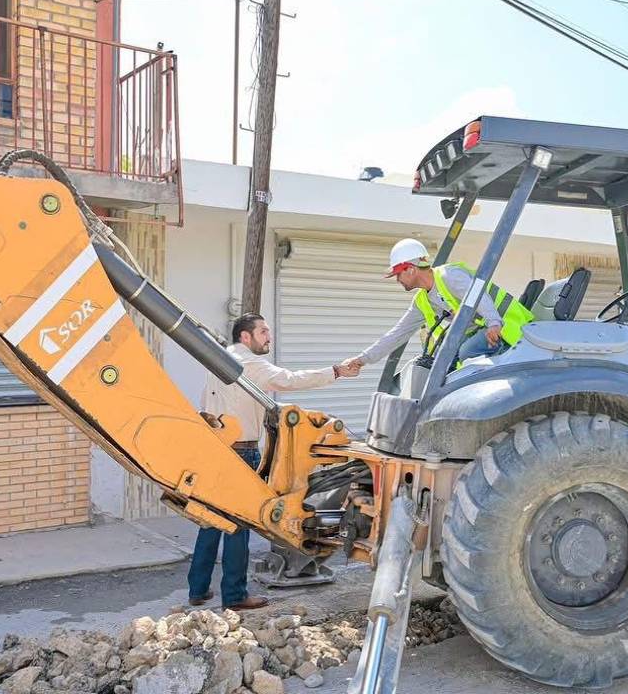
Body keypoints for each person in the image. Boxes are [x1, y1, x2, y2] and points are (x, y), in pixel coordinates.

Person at [188, 312, 359, 610]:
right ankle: (235, 595)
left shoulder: (217, 360)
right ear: (246, 337)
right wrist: (337, 371)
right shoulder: (251, 364)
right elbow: (290, 380)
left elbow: (207, 402)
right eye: (263, 331)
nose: (269, 336)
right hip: (242, 451)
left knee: (211, 520)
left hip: (217, 447)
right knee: (239, 524)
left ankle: (198, 589)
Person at [342, 238, 533, 371]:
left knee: (466, 351)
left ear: (410, 269)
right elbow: (397, 333)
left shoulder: (449, 276)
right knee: (440, 362)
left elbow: (478, 296)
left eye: (398, 274)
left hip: (508, 327)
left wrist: (494, 322)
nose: (397, 280)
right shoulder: (422, 300)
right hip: (483, 331)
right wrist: (362, 359)